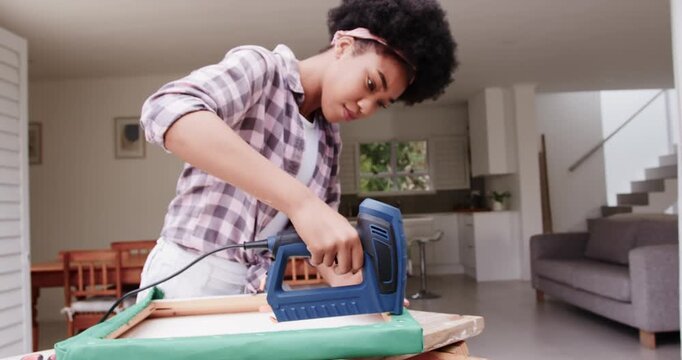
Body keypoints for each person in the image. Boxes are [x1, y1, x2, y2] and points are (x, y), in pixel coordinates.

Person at [136, 0, 458, 300]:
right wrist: (301, 203)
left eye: (380, 104)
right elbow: (167, 109)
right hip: (190, 276)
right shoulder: (264, 69)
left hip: (255, 288)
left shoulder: (329, 141)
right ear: (344, 46)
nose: (366, 107)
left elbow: (323, 247)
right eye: (371, 84)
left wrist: (370, 295)